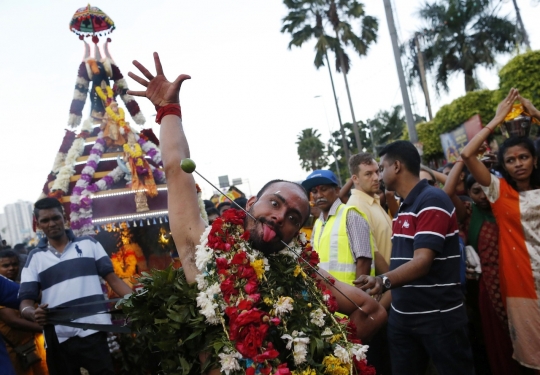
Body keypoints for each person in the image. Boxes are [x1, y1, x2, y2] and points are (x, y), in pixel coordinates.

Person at [126, 52, 386, 374]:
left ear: (295, 234)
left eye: (293, 217)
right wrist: (169, 111)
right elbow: (177, 168)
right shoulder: (203, 251)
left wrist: (328, 359)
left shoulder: (303, 271)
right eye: (275, 203)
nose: (281, 217)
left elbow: (371, 311)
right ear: (250, 204)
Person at [355, 140, 474, 375]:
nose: (379, 175)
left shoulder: (432, 200)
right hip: (403, 321)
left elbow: (422, 262)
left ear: (397, 166)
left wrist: (382, 280)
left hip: (438, 320)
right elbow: (400, 261)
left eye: (381, 168)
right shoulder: (403, 208)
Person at [461, 88, 540, 371]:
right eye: (511, 160)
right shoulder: (500, 192)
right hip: (522, 288)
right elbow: (468, 154)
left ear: (534, 159)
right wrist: (496, 120)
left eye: (524, 157)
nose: (518, 164)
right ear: (503, 166)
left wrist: (535, 114)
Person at [19, 198, 132, 375]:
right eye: (45, 220)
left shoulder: (89, 244)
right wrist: (33, 314)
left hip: (93, 329)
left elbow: (114, 280)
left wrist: (138, 302)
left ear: (64, 217)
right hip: (57, 336)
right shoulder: (34, 258)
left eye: (55, 217)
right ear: (38, 224)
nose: (52, 223)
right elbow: (25, 303)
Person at [444, 163, 521, 375]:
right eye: (475, 191)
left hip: (518, 281)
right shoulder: (468, 214)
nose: (482, 196)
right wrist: (463, 162)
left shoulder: (507, 208)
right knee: (499, 342)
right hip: (489, 287)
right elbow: (448, 191)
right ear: (468, 193)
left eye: (486, 189)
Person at [301, 170, 375, 284]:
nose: (319, 195)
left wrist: (358, 298)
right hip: (328, 297)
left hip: (351, 296)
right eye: (314, 191)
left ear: (336, 191)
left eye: (324, 189)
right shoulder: (318, 223)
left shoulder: (351, 215)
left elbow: (364, 260)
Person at [0, 250, 48, 375]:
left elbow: (31, 295)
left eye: (14, 264)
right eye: (5, 266)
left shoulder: (12, 286)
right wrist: (47, 327)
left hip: (29, 348)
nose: (11, 269)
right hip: (14, 350)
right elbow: (13, 321)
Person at [347, 153, 392, 275]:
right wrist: (394, 284)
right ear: (355, 179)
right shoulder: (356, 206)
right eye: (368, 174)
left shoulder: (373, 200)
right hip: (388, 286)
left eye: (377, 171)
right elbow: (373, 253)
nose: (377, 177)